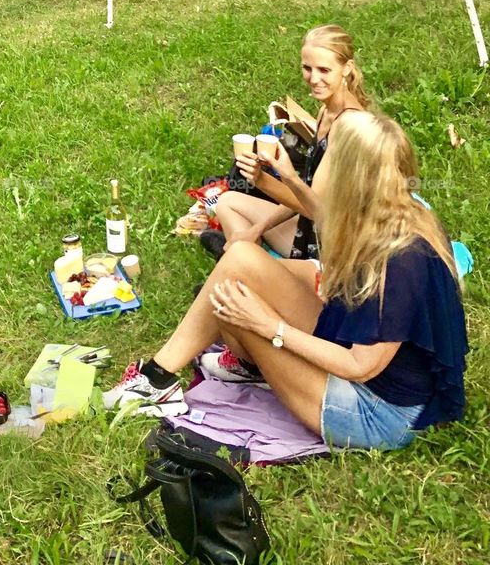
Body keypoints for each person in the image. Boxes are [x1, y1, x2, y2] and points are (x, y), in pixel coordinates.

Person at [107, 112, 467, 451]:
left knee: (239, 305)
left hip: (379, 411)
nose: (320, 162)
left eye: (329, 155)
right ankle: (160, 378)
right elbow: (323, 216)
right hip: (349, 353)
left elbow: (361, 367)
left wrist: (270, 326)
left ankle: (162, 381)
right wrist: (287, 178)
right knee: (240, 262)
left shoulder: (403, 260)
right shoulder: (388, 207)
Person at [208, 24, 371, 261]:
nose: (314, 79)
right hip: (315, 224)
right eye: (307, 68)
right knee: (228, 201)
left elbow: (313, 208)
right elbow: (307, 191)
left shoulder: (349, 126)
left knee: (240, 222)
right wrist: (258, 229)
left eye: (324, 70)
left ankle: (240, 262)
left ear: (347, 68)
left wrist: (264, 179)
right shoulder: (327, 111)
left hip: (337, 245)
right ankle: (241, 251)